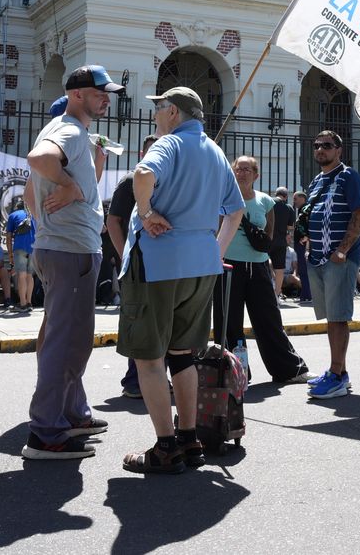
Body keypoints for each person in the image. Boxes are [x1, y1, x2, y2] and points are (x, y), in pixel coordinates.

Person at [119, 86, 245, 473]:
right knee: (183, 356)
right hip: (201, 264)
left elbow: (143, 173)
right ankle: (189, 440)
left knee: (149, 359)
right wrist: (215, 251)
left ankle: (165, 447)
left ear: (173, 112)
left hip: (158, 264)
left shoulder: (168, 143)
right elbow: (235, 211)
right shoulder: (216, 152)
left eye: (159, 108)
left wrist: (144, 212)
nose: (156, 114)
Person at [19, 64, 121, 460]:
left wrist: (52, 212)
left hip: (64, 246)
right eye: (100, 92)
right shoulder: (69, 131)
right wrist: (69, 186)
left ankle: (70, 414)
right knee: (67, 341)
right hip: (70, 250)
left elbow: (31, 194)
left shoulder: (74, 133)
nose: (106, 99)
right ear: (77, 93)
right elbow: (38, 158)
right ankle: (46, 432)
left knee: (70, 338)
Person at [214, 156, 309, 384]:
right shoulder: (222, 198)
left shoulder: (266, 202)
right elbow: (216, 231)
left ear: (256, 175)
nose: (242, 173)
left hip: (258, 266)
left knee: (269, 319)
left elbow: (268, 236)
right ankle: (236, 373)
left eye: (247, 169)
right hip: (228, 266)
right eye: (238, 169)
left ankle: (288, 369)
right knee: (229, 323)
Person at [302, 130, 360, 400]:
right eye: (317, 145)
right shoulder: (317, 180)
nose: (320, 150)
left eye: (327, 145)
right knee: (331, 318)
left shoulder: (349, 176)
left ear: (339, 150)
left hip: (338, 259)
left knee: (339, 318)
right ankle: (338, 371)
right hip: (317, 257)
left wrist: (341, 250)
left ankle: (337, 375)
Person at [107, 133, 158, 398]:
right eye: (151, 151)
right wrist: (125, 255)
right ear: (141, 154)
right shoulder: (129, 182)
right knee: (138, 321)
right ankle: (134, 380)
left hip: (162, 264)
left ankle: (155, 379)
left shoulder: (168, 180)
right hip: (136, 265)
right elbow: (113, 221)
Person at [4, 203, 36, 314]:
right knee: (29, 275)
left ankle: (22, 304)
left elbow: (8, 237)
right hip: (33, 248)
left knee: (21, 275)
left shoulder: (13, 215)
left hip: (20, 248)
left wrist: (10, 255)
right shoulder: (34, 215)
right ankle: (29, 302)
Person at [269, 187, 297, 298]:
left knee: (265, 263)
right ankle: (277, 294)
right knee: (280, 268)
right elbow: (290, 227)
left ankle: (268, 288)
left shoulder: (269, 202)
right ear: (285, 197)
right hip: (281, 242)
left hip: (268, 239)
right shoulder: (289, 208)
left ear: (276, 194)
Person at [292, 190, 312, 302]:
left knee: (304, 269)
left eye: (295, 198)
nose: (293, 201)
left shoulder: (306, 209)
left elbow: (312, 222)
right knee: (302, 269)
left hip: (304, 244)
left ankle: (307, 294)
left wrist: (307, 236)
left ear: (302, 198)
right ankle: (305, 294)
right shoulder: (302, 209)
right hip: (300, 243)